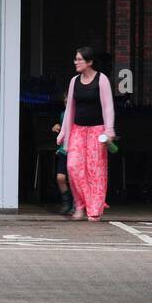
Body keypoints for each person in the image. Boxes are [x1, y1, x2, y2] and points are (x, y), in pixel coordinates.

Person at [55, 47, 115, 222]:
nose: (76, 62)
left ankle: (94, 209)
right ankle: (80, 205)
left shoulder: (101, 80)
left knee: (95, 171)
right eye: (75, 59)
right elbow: (70, 109)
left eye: (79, 59)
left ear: (89, 62)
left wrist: (109, 131)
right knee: (73, 168)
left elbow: (108, 107)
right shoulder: (74, 81)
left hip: (97, 131)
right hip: (78, 131)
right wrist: (64, 133)